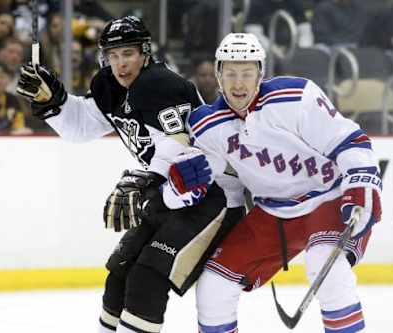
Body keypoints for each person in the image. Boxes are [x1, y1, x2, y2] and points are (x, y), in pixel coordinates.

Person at [15, 16, 244, 333]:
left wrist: (146, 179)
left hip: (212, 196)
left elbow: (187, 154)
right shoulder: (110, 86)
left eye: (128, 54)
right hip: (170, 194)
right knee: (119, 274)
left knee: (146, 277)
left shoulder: (162, 86)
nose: (121, 64)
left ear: (145, 54)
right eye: (113, 56)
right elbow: (82, 126)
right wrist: (55, 103)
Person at [185, 33, 382, 333]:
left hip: (327, 200)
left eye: (247, 74)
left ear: (260, 74)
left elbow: (349, 140)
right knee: (213, 285)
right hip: (274, 215)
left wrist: (362, 184)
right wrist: (177, 188)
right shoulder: (206, 126)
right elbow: (214, 186)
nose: (239, 83)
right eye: (231, 73)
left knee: (326, 267)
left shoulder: (295, 96)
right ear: (218, 74)